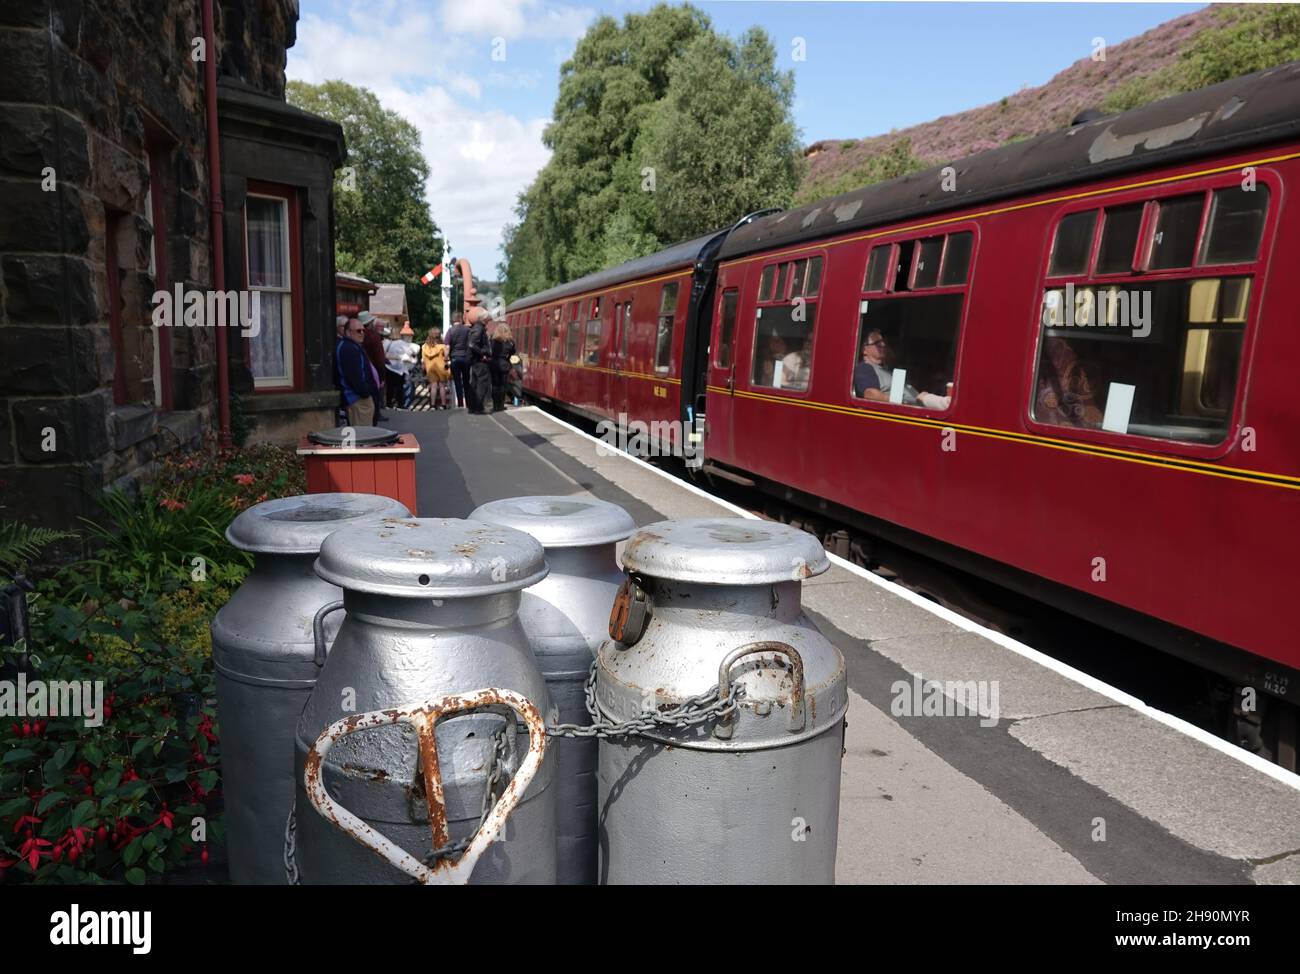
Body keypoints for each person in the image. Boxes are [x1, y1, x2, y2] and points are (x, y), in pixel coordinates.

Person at [853, 329, 950, 409]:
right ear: (864, 349)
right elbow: (870, 394)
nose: (883, 345)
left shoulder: (887, 369)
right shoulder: (865, 368)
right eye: (878, 343)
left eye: (883, 342)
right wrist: (902, 402)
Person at [335, 317, 378, 427]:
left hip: (358, 399)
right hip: (358, 401)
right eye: (358, 331)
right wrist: (366, 393)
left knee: (364, 436)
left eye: (364, 330)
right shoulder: (349, 348)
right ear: (349, 332)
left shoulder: (350, 346)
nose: (362, 333)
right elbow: (354, 377)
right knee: (363, 437)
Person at [358, 311, 388, 421]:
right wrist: (382, 376)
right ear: (370, 322)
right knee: (375, 394)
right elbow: (380, 358)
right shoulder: (373, 336)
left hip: (362, 368)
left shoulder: (358, 335)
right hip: (373, 369)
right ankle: (376, 415)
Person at [465, 313, 493, 414]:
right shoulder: (479, 329)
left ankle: (472, 407)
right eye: (488, 321)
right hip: (479, 361)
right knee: (481, 384)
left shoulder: (477, 328)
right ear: (484, 320)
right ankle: (478, 407)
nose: (489, 323)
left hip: (475, 360)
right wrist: (483, 353)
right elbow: (472, 344)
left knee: (475, 383)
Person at [489, 322, 517, 413]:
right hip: (504, 364)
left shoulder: (492, 341)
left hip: (493, 364)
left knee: (495, 385)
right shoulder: (510, 342)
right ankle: (501, 405)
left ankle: (495, 405)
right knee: (502, 385)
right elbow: (513, 352)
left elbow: (489, 351)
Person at [422, 328, 452, 409]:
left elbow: (423, 360)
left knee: (433, 386)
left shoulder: (424, 347)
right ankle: (443, 404)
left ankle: (432, 405)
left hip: (430, 368)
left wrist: (424, 369)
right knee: (442, 386)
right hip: (441, 368)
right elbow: (446, 357)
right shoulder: (442, 346)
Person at [445, 312, 470, 409]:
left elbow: (447, 346)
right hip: (465, 358)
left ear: (453, 320)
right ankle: (468, 403)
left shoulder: (450, 331)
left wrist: (446, 357)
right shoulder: (467, 330)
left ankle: (460, 403)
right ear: (460, 319)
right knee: (466, 381)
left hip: (455, 359)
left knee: (458, 382)